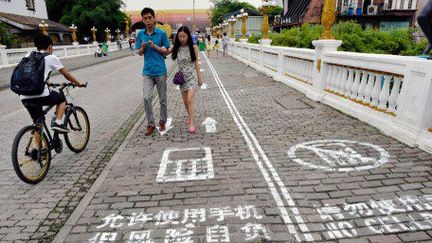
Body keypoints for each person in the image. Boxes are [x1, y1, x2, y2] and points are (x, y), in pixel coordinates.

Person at [19, 33, 84, 132]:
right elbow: (66, 75)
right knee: (61, 99)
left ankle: (38, 148)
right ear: (49, 46)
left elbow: (33, 73)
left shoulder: (28, 55)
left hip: (24, 95)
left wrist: (47, 82)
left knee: (38, 124)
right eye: (52, 47)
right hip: (40, 94)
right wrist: (78, 83)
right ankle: (57, 123)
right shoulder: (51, 57)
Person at [136, 7, 171, 136]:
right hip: (147, 72)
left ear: (154, 18)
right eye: (145, 18)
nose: (148, 20)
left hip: (161, 71)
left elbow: (166, 51)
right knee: (146, 97)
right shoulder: (140, 34)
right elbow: (139, 53)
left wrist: (155, 46)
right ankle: (150, 123)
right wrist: (143, 48)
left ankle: (162, 121)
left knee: (162, 99)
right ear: (142, 20)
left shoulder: (161, 34)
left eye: (150, 17)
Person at [167, 26, 204, 133]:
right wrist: (155, 46)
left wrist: (200, 77)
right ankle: (190, 116)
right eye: (180, 37)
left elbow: (196, 63)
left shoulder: (194, 47)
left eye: (184, 36)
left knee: (189, 99)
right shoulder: (176, 47)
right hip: (182, 78)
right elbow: (165, 52)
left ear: (188, 36)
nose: (182, 38)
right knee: (185, 102)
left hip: (192, 76)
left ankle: (192, 122)